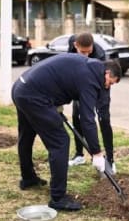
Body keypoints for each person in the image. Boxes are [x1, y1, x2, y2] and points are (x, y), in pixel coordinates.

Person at [12, 54, 121, 211]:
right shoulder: (90, 80)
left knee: (27, 135)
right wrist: (96, 153)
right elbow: (87, 119)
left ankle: (28, 179)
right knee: (60, 141)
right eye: (110, 83)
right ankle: (58, 198)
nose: (108, 87)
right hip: (34, 96)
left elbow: (61, 77)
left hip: (21, 88)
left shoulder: (90, 67)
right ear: (107, 73)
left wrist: (54, 101)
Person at [66, 33, 116, 174]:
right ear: (75, 45)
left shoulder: (99, 55)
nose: (86, 55)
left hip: (101, 85)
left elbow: (105, 78)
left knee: (104, 119)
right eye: (83, 52)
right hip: (80, 85)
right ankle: (79, 155)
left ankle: (110, 160)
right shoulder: (72, 44)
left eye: (89, 52)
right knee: (77, 116)